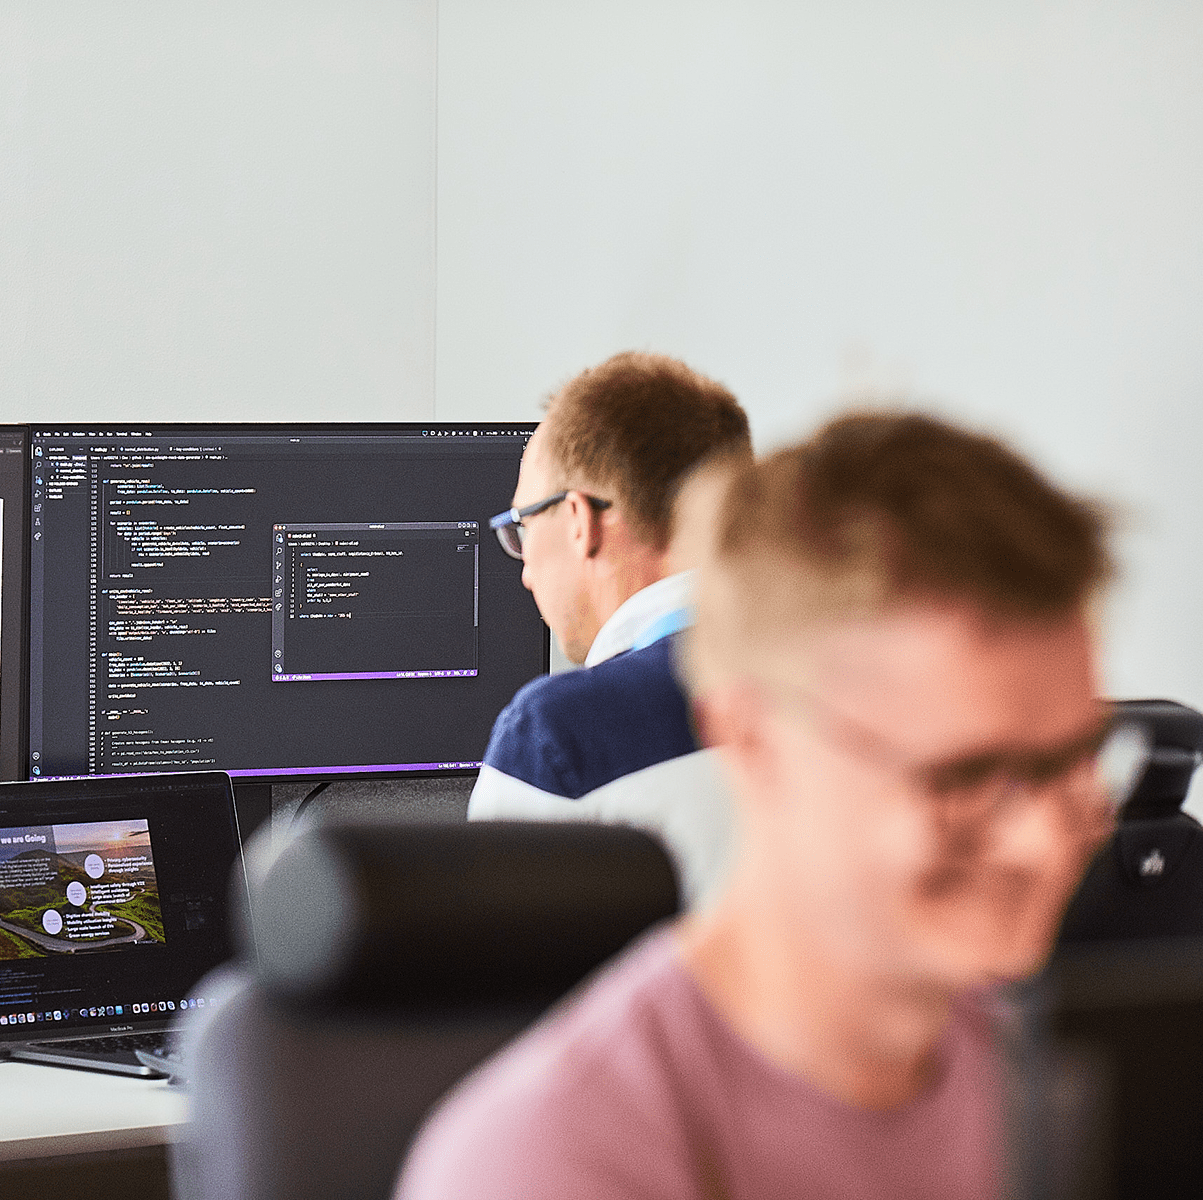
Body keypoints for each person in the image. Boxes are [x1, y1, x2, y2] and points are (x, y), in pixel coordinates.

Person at [398, 411, 1136, 1200]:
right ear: (752, 741)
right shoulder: (550, 1161)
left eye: (1072, 763)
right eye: (967, 778)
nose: (1047, 840)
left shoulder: (1061, 1087)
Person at [472, 352, 751, 901]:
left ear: (580, 519)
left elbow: (476, 979)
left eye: (524, 527)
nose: (526, 572)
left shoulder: (557, 738)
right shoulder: (848, 685)